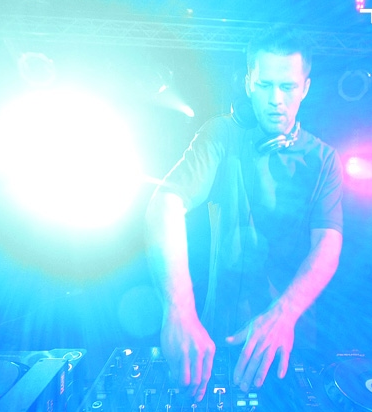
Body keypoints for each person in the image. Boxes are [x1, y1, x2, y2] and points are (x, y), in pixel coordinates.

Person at [144, 24, 343, 402]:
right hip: (218, 338)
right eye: (265, 85)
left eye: (287, 87)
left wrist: (283, 314)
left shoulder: (324, 159)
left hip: (290, 343)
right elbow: (165, 202)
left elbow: (328, 246)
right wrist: (179, 310)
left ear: (305, 88)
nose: (276, 99)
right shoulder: (221, 135)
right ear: (249, 82)